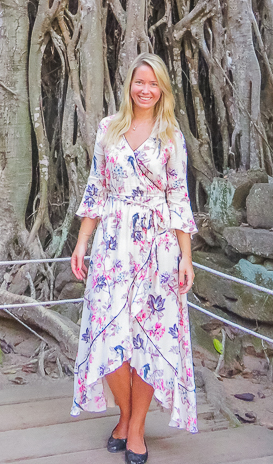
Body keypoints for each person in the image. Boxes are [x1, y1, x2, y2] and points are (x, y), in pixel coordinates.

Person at [70, 53, 197, 464]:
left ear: (162, 90)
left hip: (157, 246)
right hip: (111, 245)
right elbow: (96, 189)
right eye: (139, 82)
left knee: (149, 336)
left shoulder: (171, 137)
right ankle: (124, 415)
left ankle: (137, 427)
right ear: (129, 85)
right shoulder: (109, 129)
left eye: (153, 83)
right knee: (107, 332)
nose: (145, 89)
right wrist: (81, 242)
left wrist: (185, 258)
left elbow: (179, 198)